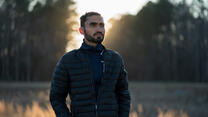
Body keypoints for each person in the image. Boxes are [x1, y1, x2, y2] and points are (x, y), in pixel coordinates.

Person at [50, 11, 131, 117]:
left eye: (101, 25)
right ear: (81, 30)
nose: (99, 29)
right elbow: (56, 97)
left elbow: (123, 95)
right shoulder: (68, 60)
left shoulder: (115, 59)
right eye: (93, 25)